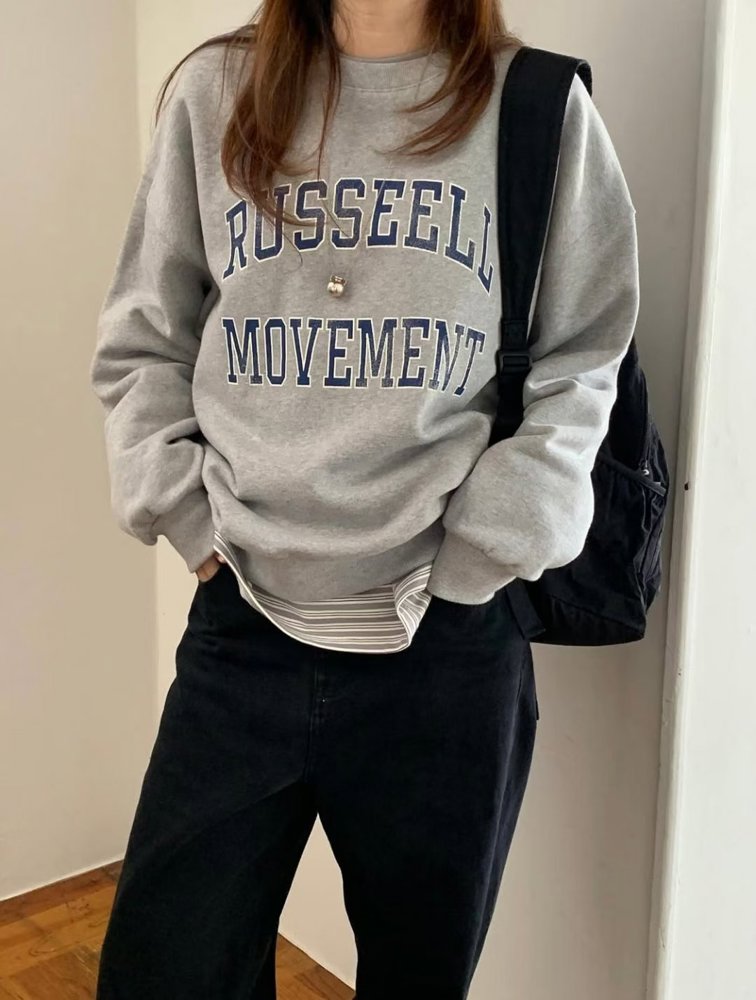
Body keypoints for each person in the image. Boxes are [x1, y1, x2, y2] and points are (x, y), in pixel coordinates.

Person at [89, 1, 639, 997]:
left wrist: (483, 553)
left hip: (447, 650)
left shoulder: (536, 105)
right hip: (242, 630)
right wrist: (191, 522)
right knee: (163, 971)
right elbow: (145, 339)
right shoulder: (216, 93)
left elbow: (582, 356)